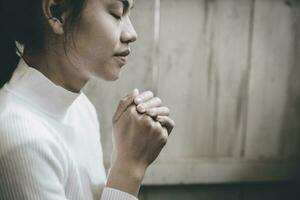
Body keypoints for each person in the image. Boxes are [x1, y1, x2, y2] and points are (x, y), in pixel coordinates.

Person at [0, 0, 175, 199]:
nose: (132, 33)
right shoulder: (21, 138)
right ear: (57, 13)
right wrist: (129, 168)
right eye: (117, 14)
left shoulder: (82, 108)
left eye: (129, 14)